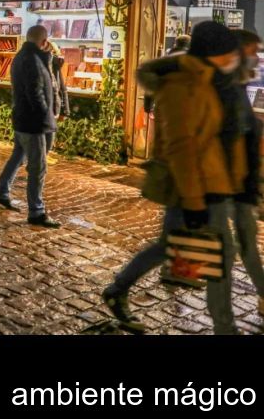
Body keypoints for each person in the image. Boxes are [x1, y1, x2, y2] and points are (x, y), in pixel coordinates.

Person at [102, 21, 247, 334]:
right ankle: (119, 289)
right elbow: (182, 150)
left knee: (185, 246)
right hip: (186, 187)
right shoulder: (182, 86)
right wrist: (195, 201)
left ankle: (176, 274)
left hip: (206, 184)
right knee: (174, 246)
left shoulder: (207, 80)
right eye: (228, 52)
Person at [0, 25, 59, 226]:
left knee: (18, 155)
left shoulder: (23, 56)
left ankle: (2, 191)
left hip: (22, 118)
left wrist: (47, 60)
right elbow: (35, 93)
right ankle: (36, 211)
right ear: (44, 41)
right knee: (38, 166)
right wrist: (45, 117)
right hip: (33, 122)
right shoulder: (32, 60)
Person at [231, 29, 264, 316]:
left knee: (247, 245)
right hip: (226, 187)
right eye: (254, 51)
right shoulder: (226, 87)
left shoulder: (238, 85)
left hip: (241, 187)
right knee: (239, 248)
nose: (257, 58)